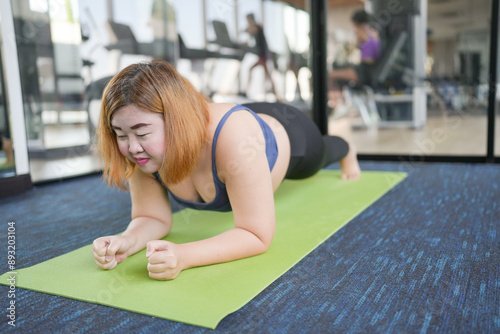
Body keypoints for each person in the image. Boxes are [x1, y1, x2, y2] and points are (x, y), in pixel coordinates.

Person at [92, 59, 361, 280]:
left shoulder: (235, 137)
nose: (131, 147)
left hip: (290, 133)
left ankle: (346, 147)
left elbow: (257, 234)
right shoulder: (142, 149)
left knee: (322, 155)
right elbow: (153, 217)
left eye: (142, 133)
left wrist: (184, 256)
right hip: (232, 123)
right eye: (121, 134)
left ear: (175, 121)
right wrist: (127, 241)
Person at [329, 10, 381, 106]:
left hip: (364, 71)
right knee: (339, 74)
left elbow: (349, 50)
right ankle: (339, 102)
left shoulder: (360, 32)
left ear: (355, 23)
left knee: (330, 74)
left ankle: (336, 103)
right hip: (372, 69)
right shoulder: (374, 32)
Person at [243, 13, 277, 98]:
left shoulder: (257, 27)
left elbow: (251, 30)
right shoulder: (254, 28)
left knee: (265, 74)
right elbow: (249, 38)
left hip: (263, 54)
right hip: (262, 55)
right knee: (267, 75)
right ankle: (275, 93)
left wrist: (247, 30)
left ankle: (275, 93)